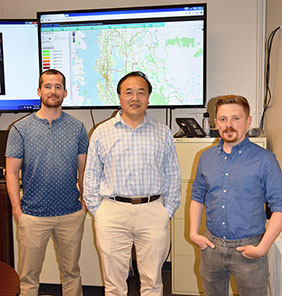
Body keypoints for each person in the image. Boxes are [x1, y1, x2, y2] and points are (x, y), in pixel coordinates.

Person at [83, 71, 181, 296]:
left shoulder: (162, 132)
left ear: (148, 98)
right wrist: (99, 211)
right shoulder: (102, 132)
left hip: (153, 211)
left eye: (141, 92)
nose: (134, 98)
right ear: (119, 97)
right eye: (129, 92)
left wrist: (167, 211)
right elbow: (91, 176)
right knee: (114, 283)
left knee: (153, 281)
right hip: (112, 212)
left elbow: (173, 174)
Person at [5, 69, 89, 296]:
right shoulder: (20, 129)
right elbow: (11, 173)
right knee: (29, 277)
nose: (53, 91)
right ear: (39, 91)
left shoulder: (78, 128)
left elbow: (85, 169)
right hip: (32, 216)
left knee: (71, 272)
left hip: (70, 214)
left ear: (65, 92)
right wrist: (17, 210)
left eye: (58, 87)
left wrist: (84, 203)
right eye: (48, 86)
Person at [190, 95, 282, 296]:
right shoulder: (205, 157)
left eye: (236, 118)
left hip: (250, 249)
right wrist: (194, 233)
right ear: (215, 122)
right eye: (223, 119)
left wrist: (262, 248)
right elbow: (197, 195)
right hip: (212, 247)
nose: (228, 125)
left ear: (248, 121)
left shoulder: (265, 160)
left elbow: (280, 207)